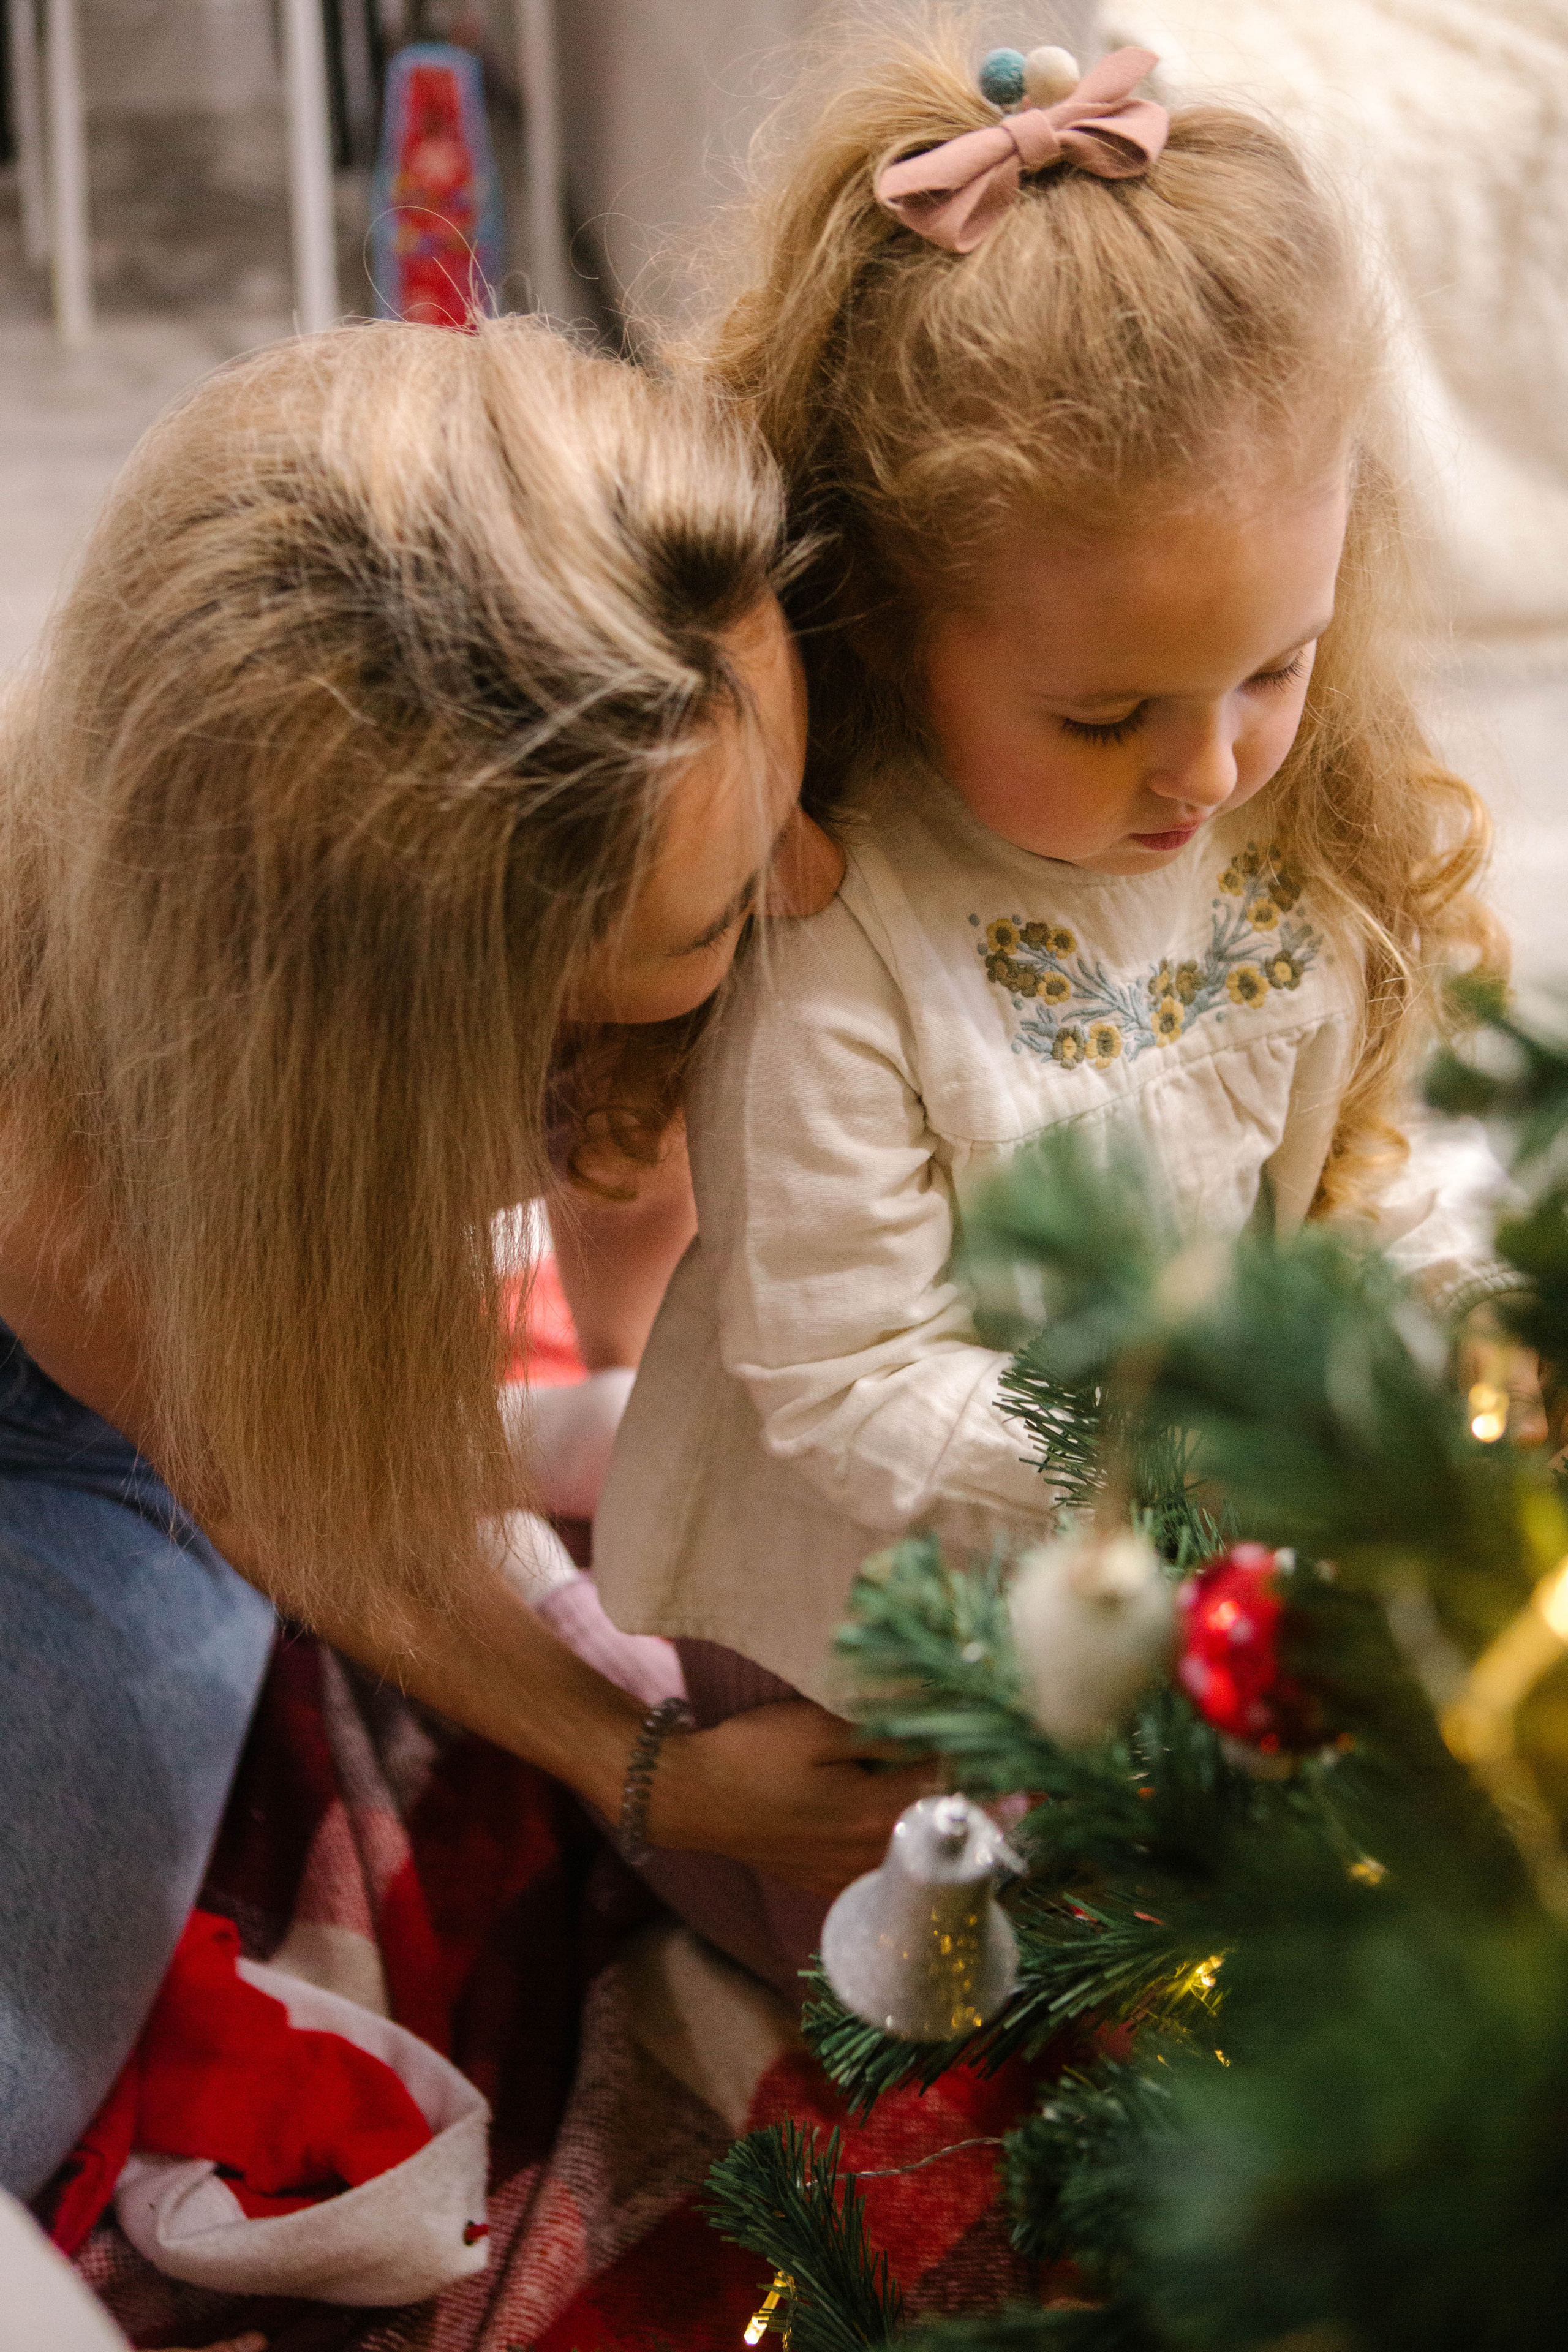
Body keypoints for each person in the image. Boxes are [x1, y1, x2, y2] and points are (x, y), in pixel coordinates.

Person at [0, 316, 935, 2198]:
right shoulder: (83, 1166)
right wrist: (639, 1760)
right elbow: (291, 1482)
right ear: (414, 1028)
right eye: (722, 909)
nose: (820, 885)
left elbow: (657, 1251)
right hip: (91, 1442)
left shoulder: (631, 670)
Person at [594, 31, 1505, 1958]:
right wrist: (1169, 1453)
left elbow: (1342, 1172)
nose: (1211, 773)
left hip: (1187, 1543)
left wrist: (1435, 1337)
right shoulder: (839, 936)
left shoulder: (1279, 820)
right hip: (876, 1617)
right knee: (945, 1974)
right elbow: (846, 1381)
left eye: (1278, 664)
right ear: (883, 622)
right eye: (1105, 719)